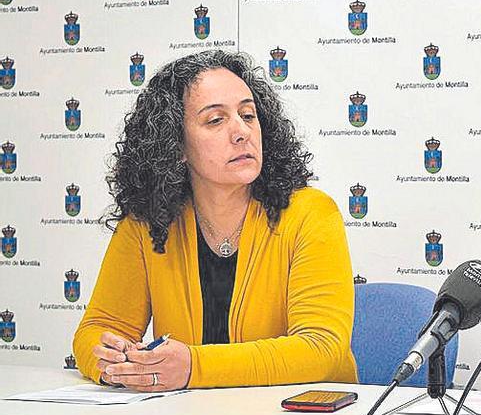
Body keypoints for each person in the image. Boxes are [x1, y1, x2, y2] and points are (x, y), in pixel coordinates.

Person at [72, 50, 358, 391]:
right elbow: (99, 328)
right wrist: (113, 362)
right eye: (215, 120)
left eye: (248, 115)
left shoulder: (310, 213)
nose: (242, 132)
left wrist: (194, 367)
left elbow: (321, 349)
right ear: (176, 145)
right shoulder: (147, 223)